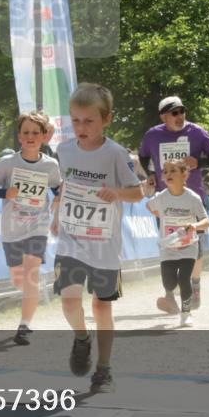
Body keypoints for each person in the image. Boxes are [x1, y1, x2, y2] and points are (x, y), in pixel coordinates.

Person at [51, 83, 143, 393]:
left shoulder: (116, 154)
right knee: (68, 300)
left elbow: (137, 192)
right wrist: (55, 215)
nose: (81, 127)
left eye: (89, 121)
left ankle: (103, 370)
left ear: (106, 120)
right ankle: (81, 338)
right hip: (71, 239)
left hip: (105, 245)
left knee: (102, 308)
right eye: (75, 120)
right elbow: (65, 187)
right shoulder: (63, 150)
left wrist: (116, 193)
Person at [0, 112, 61, 345]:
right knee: (19, 278)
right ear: (19, 136)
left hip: (38, 226)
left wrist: (56, 218)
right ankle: (29, 293)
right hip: (11, 228)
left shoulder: (51, 165)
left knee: (31, 274)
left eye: (35, 133)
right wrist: (5, 193)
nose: (30, 137)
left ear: (43, 137)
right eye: (26, 133)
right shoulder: (7, 163)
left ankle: (24, 325)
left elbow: (59, 191)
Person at [138, 96, 209, 305]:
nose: (180, 116)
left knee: (195, 246)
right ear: (163, 116)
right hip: (165, 199)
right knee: (169, 245)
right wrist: (150, 173)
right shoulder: (153, 135)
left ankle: (195, 284)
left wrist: (200, 161)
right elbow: (142, 156)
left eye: (182, 111)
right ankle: (170, 295)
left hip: (192, 195)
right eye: (174, 113)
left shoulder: (196, 132)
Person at [146, 160, 209, 326]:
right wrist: (161, 215)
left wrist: (194, 226)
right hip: (168, 246)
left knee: (184, 279)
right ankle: (174, 297)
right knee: (169, 283)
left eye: (173, 170)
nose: (168, 174)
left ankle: (186, 313)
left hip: (188, 246)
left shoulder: (192, 198)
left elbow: (206, 221)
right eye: (165, 171)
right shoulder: (161, 197)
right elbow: (148, 206)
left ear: (184, 174)